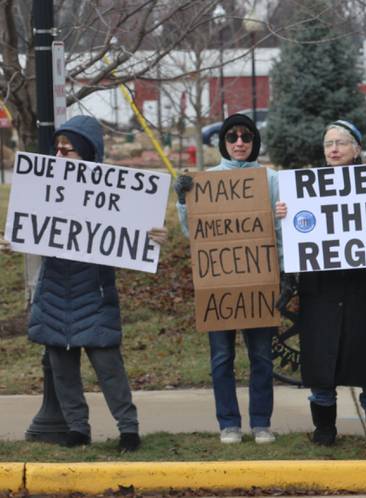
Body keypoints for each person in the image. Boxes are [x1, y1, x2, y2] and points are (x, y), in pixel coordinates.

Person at [0, 115, 167, 452]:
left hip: (95, 294)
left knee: (109, 368)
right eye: (58, 149)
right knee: (63, 370)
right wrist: (12, 240)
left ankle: (128, 429)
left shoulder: (113, 193)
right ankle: (78, 429)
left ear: (89, 154)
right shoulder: (45, 190)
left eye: (69, 150)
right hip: (55, 293)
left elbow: (130, 239)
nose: (60, 155)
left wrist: (155, 237)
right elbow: (32, 228)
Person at [174, 113, 284, 444]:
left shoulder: (271, 179)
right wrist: (183, 202)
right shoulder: (206, 180)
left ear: (254, 142)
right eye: (232, 137)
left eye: (246, 137)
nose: (239, 143)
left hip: (261, 280)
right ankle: (229, 424)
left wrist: (283, 216)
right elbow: (191, 233)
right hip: (219, 284)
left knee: (262, 356)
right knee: (222, 357)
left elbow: (280, 234)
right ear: (223, 142)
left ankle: (261, 422)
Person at [289, 120, 366, 450]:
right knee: (321, 362)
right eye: (328, 143)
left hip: (364, 290)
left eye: (341, 142)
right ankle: (324, 428)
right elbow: (295, 232)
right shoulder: (307, 187)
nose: (333, 149)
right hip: (321, 290)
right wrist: (284, 213)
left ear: (357, 148)